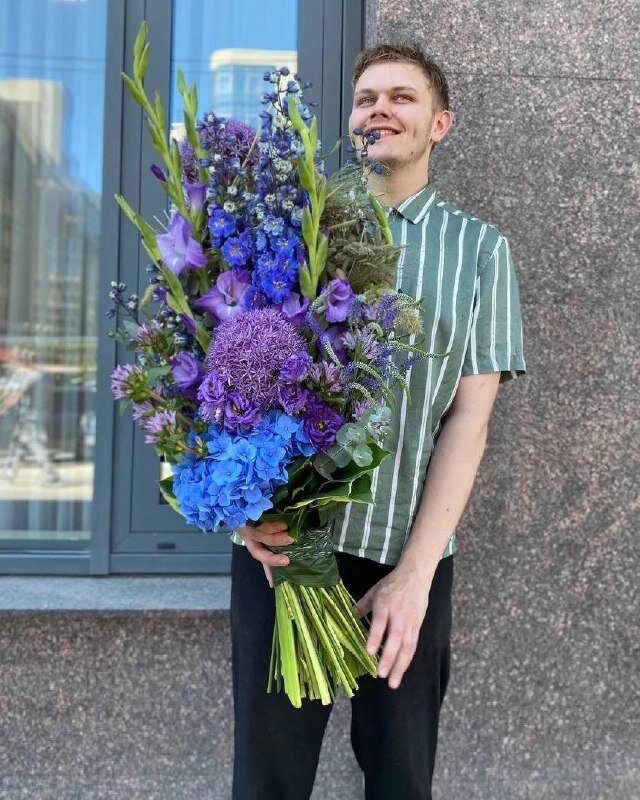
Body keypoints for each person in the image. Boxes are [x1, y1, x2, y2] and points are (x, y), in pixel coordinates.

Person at [230, 43, 527, 800]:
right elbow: (230, 379)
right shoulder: (296, 228)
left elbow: (468, 419)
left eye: (402, 97)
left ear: (440, 124)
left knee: (401, 781)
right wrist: (242, 512)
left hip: (406, 558)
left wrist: (415, 576)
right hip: (286, 551)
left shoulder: (480, 251)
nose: (380, 110)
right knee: (267, 784)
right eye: (367, 99)